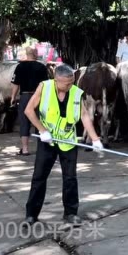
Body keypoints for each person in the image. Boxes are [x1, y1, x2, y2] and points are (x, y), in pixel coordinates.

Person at [22, 64, 104, 226]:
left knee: (70, 178)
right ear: (56, 80)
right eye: (67, 83)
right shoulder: (44, 88)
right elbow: (29, 110)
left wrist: (95, 139)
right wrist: (42, 130)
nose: (70, 86)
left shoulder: (75, 92)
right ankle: (31, 214)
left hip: (68, 141)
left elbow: (84, 115)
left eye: (72, 82)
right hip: (48, 140)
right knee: (39, 177)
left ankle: (71, 213)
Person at [11, 47, 50, 156]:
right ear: (35, 54)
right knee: (40, 121)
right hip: (39, 97)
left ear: (27, 54)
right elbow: (46, 85)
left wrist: (13, 97)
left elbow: (15, 84)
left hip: (25, 96)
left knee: (24, 122)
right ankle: (41, 149)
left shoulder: (19, 66)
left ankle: (25, 149)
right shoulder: (41, 67)